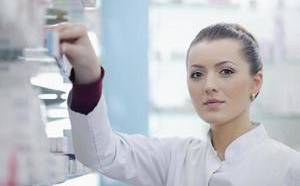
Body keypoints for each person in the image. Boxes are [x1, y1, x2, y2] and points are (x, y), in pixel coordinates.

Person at [53, 23, 300, 186]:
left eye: (225, 71)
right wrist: (88, 76)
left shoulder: (289, 168)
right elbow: (102, 153)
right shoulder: (175, 158)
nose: (209, 85)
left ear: (255, 83)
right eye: (197, 74)